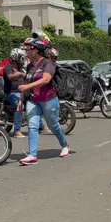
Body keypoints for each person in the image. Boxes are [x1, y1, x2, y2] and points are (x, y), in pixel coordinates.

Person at [16, 36, 69, 165]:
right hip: (33, 100)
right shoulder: (29, 66)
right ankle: (32, 155)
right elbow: (26, 83)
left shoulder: (47, 63)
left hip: (48, 99)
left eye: (29, 49)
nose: (27, 51)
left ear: (37, 50)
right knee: (32, 126)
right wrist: (21, 101)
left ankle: (65, 145)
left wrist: (27, 86)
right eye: (26, 49)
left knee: (53, 125)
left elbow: (45, 79)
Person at [3, 48, 28, 138]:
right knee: (20, 105)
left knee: (34, 102)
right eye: (21, 57)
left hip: (23, 91)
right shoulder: (8, 67)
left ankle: (41, 126)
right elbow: (10, 76)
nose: (23, 59)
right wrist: (19, 74)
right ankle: (17, 131)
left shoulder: (21, 68)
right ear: (15, 57)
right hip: (12, 93)